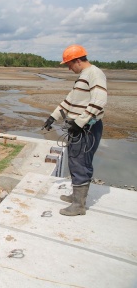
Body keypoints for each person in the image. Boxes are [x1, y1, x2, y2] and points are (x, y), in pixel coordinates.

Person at [42, 45, 107, 216]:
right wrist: (52, 117)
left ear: (78, 60)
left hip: (87, 128)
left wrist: (79, 122)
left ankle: (79, 205)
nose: (69, 68)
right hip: (79, 127)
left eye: (70, 64)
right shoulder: (83, 77)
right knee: (74, 160)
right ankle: (76, 197)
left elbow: (99, 100)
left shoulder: (94, 74)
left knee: (80, 161)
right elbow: (69, 101)